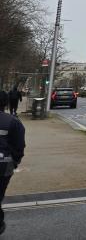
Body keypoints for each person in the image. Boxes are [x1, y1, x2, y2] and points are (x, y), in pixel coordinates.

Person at [0, 93, 25, 235]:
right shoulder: (13, 121)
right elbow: (19, 146)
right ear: (6, 103)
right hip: (3, 166)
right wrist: (14, 163)